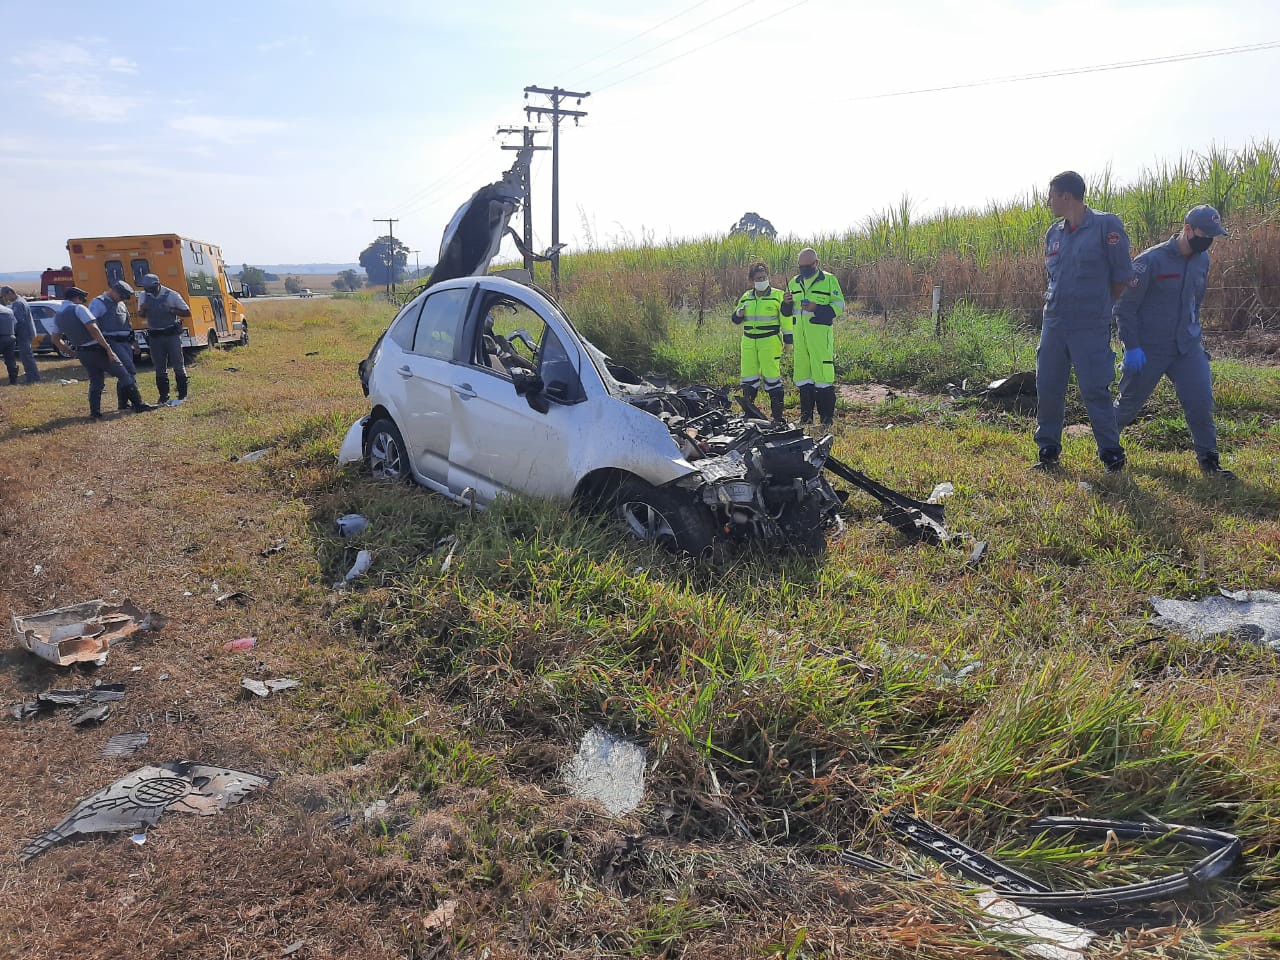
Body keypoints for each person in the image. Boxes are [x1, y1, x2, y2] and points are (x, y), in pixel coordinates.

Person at [1113, 204, 1234, 478]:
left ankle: (1210, 462)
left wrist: (1195, 336)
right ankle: (1108, 451)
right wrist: (1132, 347)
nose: (1209, 241)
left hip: (1187, 347)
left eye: (1213, 235)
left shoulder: (1203, 260)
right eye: (1205, 234)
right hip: (1149, 349)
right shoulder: (1150, 261)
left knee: (1200, 402)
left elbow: (1195, 301)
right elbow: (1124, 308)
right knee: (1127, 406)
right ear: (1187, 229)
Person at [1034, 170, 1133, 472]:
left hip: (1089, 324)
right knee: (1048, 386)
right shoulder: (1054, 233)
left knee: (1095, 389)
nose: (1049, 202)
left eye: (1051, 196)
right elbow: (1054, 277)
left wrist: (1099, 307)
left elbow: (1121, 276)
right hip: (1054, 322)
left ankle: (1111, 454)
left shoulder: (1106, 226)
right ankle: (1047, 450)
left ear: (1066, 196)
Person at [50, 287, 152, 420]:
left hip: (82, 352)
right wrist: (108, 349)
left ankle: (95, 412)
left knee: (96, 381)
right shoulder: (79, 309)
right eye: (82, 299)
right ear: (77, 298)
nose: (83, 301)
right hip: (96, 349)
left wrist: (71, 352)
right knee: (124, 374)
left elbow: (55, 339)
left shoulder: (58, 315)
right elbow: (94, 330)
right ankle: (138, 404)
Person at [780, 247, 845, 427]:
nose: (804, 270)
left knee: (823, 377)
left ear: (816, 263)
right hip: (800, 341)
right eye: (801, 266)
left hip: (820, 339)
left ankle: (826, 420)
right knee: (804, 379)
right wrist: (786, 303)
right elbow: (786, 312)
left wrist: (817, 308)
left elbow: (839, 305)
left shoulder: (829, 280)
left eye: (808, 266)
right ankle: (806, 418)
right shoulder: (794, 283)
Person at [731, 261, 790, 424]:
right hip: (749, 343)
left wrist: (788, 341)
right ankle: (750, 415)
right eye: (758, 278)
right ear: (752, 280)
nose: (762, 280)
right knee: (749, 380)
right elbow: (735, 319)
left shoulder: (778, 295)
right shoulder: (746, 297)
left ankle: (777, 418)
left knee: (772, 379)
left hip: (769, 342)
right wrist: (738, 314)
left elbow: (786, 319)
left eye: (764, 277)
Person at [89, 280, 154, 412]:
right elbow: (91, 324)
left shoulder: (121, 304)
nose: (123, 299)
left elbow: (127, 324)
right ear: (114, 291)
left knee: (125, 371)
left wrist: (134, 342)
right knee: (128, 370)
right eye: (122, 296)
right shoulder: (98, 302)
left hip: (125, 342)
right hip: (112, 341)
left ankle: (123, 404)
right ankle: (137, 403)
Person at [138, 273, 192, 405]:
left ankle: (182, 394)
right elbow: (141, 315)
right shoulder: (143, 296)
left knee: (178, 364)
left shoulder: (171, 295)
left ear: (157, 285)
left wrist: (171, 310)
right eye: (146, 288)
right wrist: (142, 310)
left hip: (171, 334)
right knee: (159, 367)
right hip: (155, 335)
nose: (148, 291)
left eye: (150, 288)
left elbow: (187, 312)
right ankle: (164, 396)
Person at [0, 285, 40, 383]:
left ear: (10, 292)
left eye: (5, 296)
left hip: (23, 333)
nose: (6, 299)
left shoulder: (17, 303)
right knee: (26, 356)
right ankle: (31, 377)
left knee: (26, 357)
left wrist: (11, 331)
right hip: (27, 332)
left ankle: (33, 378)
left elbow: (18, 321)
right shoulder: (22, 300)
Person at [0, 301, 17, 385]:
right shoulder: (9, 310)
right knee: (10, 360)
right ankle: (13, 380)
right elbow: (15, 323)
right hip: (10, 337)